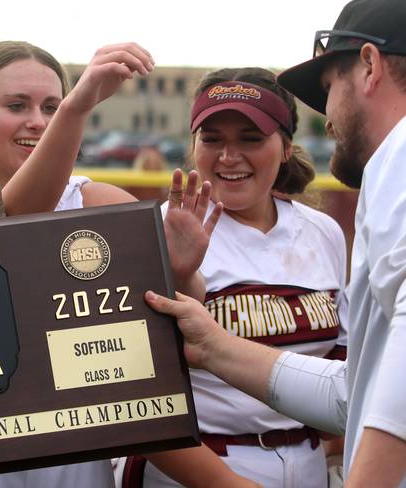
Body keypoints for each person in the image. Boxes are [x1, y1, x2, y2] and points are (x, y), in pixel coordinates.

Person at [0, 40, 221, 488]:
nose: (38, 120)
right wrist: (77, 106)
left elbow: (174, 323)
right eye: (17, 105)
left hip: (73, 468)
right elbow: (14, 230)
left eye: (52, 106)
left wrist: (182, 272)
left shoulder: (98, 200)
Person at [144, 0, 406, 486]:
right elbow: (356, 390)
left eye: (328, 88)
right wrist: (213, 344)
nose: (328, 116)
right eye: (211, 137)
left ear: (369, 65)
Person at [129, 68, 348, 488]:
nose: (229, 156)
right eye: (212, 139)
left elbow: (344, 372)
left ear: (285, 148)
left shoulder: (323, 232)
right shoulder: (160, 230)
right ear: (193, 146)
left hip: (306, 464)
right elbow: (135, 399)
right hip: (196, 469)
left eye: (251, 138)